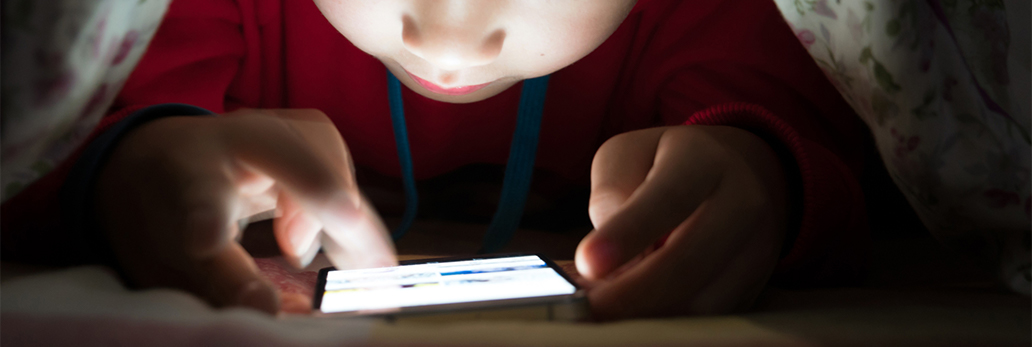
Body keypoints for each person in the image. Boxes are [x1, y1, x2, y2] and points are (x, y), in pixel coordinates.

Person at [1, 0, 868, 319]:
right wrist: (119, 168)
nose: (448, 30)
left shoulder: (724, 15)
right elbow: (33, 144)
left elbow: (882, 168)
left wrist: (767, 175)